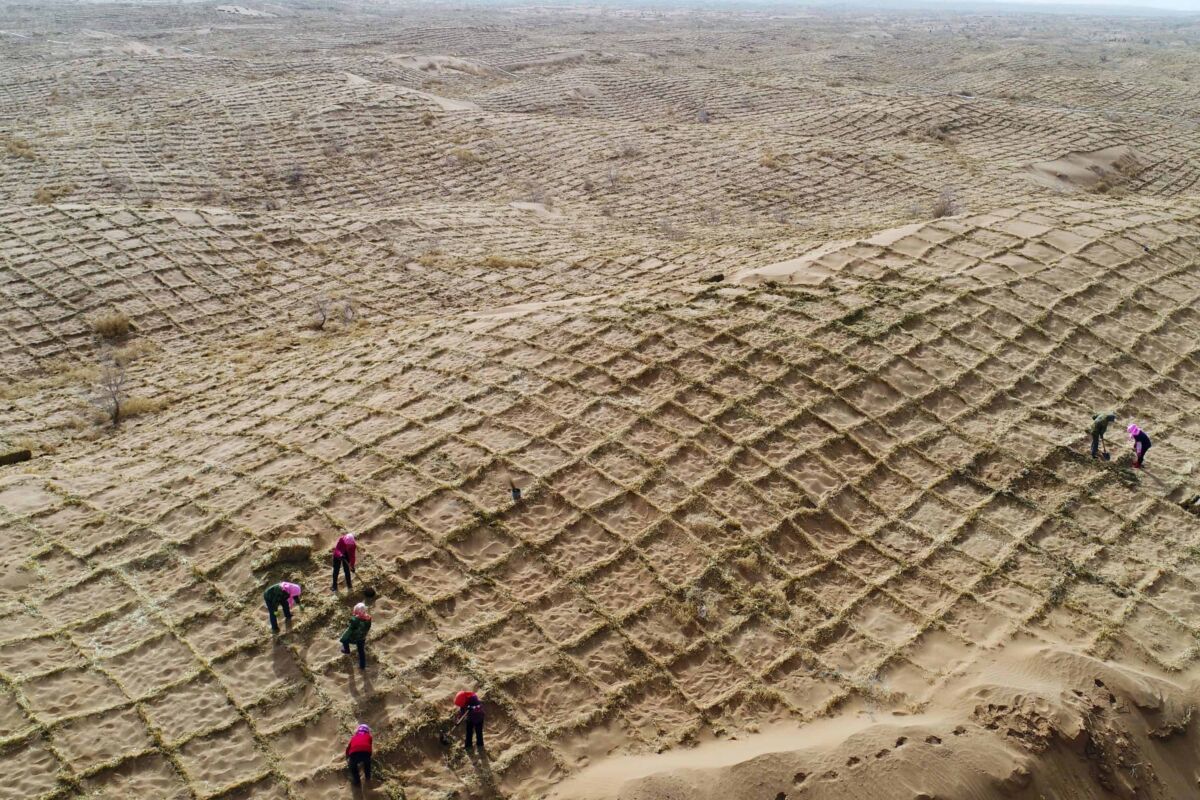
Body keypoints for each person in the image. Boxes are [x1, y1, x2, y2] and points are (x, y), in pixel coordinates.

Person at [340, 602, 372, 669]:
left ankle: (346, 650)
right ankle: (362, 666)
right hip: (362, 637)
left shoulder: (355, 620)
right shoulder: (368, 618)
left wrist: (343, 638)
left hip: (354, 638)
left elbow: (349, 629)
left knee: (345, 640)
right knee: (361, 651)